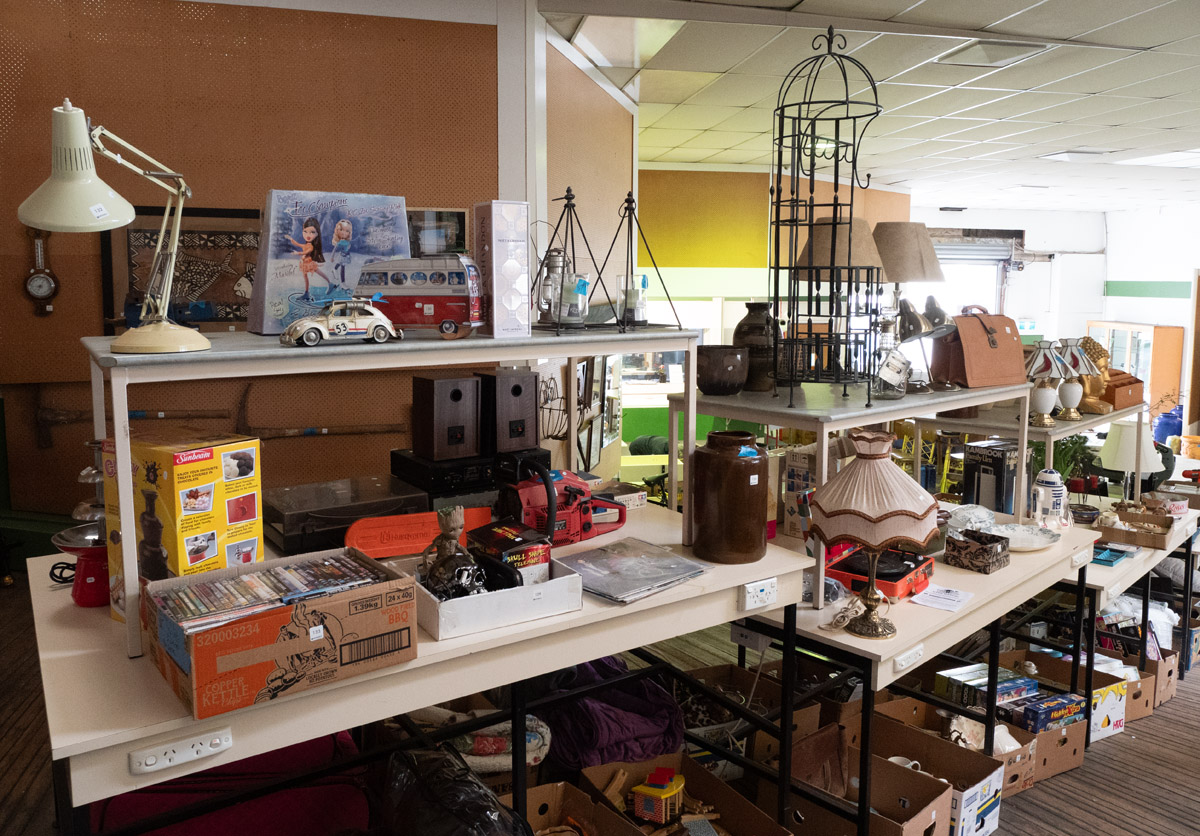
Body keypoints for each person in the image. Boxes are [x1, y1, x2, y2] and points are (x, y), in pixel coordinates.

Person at [284, 216, 331, 300]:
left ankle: (330, 283)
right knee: (305, 277)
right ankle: (306, 293)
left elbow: (306, 252)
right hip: (304, 263)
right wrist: (290, 238)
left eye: (312, 232)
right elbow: (297, 244)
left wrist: (297, 253)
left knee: (319, 272)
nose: (308, 235)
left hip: (309, 263)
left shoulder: (311, 246)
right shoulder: (306, 244)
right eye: (305, 232)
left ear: (317, 233)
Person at [330, 219, 353, 286]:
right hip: (342, 255)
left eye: (347, 231)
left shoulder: (347, 241)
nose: (344, 233)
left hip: (346, 256)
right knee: (342, 268)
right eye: (341, 230)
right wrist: (332, 257)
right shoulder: (339, 242)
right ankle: (343, 283)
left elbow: (347, 247)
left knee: (340, 264)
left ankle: (334, 269)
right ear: (337, 231)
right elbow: (334, 250)